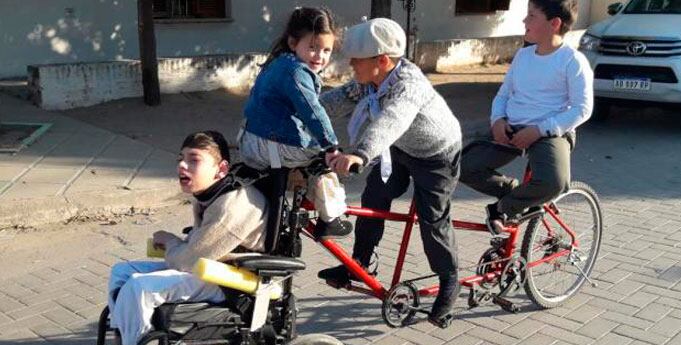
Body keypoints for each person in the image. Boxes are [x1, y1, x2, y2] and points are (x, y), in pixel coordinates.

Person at [71, 131, 268, 345]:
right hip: (209, 267)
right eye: (181, 158)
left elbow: (189, 260)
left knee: (139, 288)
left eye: (193, 160)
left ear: (221, 168)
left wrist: (174, 242)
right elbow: (196, 252)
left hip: (235, 282)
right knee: (121, 272)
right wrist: (179, 245)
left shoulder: (234, 205)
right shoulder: (211, 193)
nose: (182, 166)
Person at [317, 18, 463, 327]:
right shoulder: (371, 79)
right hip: (400, 150)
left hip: (436, 155)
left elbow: (392, 121)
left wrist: (359, 153)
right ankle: (360, 261)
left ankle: (450, 282)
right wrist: (300, 109)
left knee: (432, 219)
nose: (351, 65)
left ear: (381, 60)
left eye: (356, 60)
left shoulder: (409, 86)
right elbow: (337, 99)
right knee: (374, 196)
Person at [460, 0, 593, 234]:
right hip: (510, 127)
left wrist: (540, 130)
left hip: (550, 133)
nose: (524, 21)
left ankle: (503, 208)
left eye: (531, 16)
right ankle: (516, 192)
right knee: (463, 167)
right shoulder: (523, 56)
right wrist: (498, 120)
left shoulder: (573, 61)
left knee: (555, 183)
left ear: (554, 24)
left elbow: (582, 108)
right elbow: (503, 95)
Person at [240, 6, 350, 240]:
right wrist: (332, 146)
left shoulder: (277, 63)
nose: (319, 56)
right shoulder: (296, 71)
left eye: (326, 50)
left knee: (312, 156)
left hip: (252, 141)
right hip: (273, 145)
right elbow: (312, 110)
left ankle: (298, 200)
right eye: (312, 47)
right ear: (293, 43)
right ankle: (330, 218)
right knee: (324, 161)